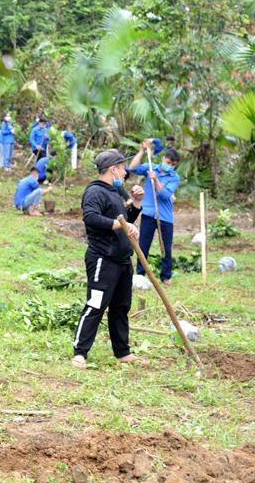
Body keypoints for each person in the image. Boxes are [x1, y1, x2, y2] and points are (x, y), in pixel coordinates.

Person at [72, 149, 147, 370]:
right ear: (113, 168)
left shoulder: (117, 191)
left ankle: (122, 352)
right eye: (123, 168)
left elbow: (127, 219)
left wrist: (136, 202)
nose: (125, 173)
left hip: (123, 258)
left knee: (121, 306)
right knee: (96, 304)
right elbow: (91, 218)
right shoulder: (95, 192)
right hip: (103, 258)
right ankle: (80, 353)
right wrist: (120, 224)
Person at [129, 141, 181, 285]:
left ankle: (165, 276)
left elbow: (164, 195)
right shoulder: (151, 168)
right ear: (163, 158)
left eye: (173, 164)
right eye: (168, 162)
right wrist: (141, 152)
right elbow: (132, 168)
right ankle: (140, 274)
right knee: (143, 245)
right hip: (148, 213)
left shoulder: (174, 177)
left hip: (165, 217)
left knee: (166, 247)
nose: (169, 165)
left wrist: (156, 179)